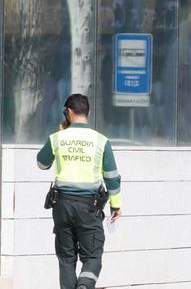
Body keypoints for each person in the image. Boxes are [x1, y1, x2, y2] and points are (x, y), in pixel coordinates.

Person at [36, 94, 122, 289]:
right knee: (92, 255)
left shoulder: (57, 138)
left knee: (66, 258)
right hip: (89, 208)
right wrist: (116, 205)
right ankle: (84, 284)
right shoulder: (101, 141)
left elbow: (42, 164)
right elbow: (112, 177)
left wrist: (61, 134)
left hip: (62, 205)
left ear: (68, 112)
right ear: (88, 113)